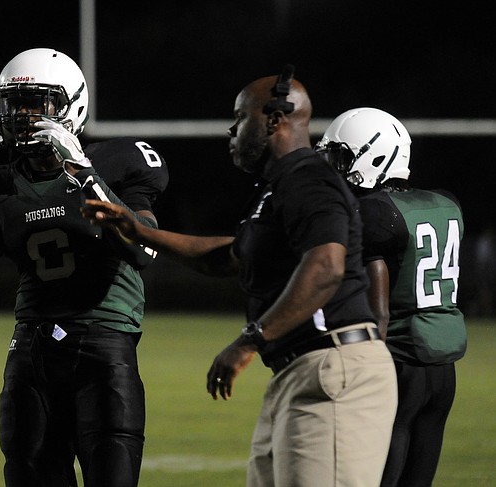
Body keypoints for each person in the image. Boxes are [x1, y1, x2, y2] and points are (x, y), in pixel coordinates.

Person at [81, 66, 398, 486]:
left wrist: (251, 340)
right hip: (300, 370)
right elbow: (228, 256)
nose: (232, 129)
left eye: (240, 117)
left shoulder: (309, 179)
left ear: (273, 119)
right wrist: (140, 231)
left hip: (332, 367)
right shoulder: (280, 188)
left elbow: (326, 267)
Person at [0, 47, 168, 487]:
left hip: (103, 341)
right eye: (14, 103)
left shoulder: (117, 164)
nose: (22, 115)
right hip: (32, 346)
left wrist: (80, 169)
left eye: (35, 103)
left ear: (72, 106)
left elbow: (144, 250)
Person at [315, 107, 467, 487]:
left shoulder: (374, 213)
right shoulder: (444, 203)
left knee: (379, 475)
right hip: (441, 367)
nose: (335, 166)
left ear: (374, 155)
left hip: (398, 359)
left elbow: (378, 311)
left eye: (342, 156)